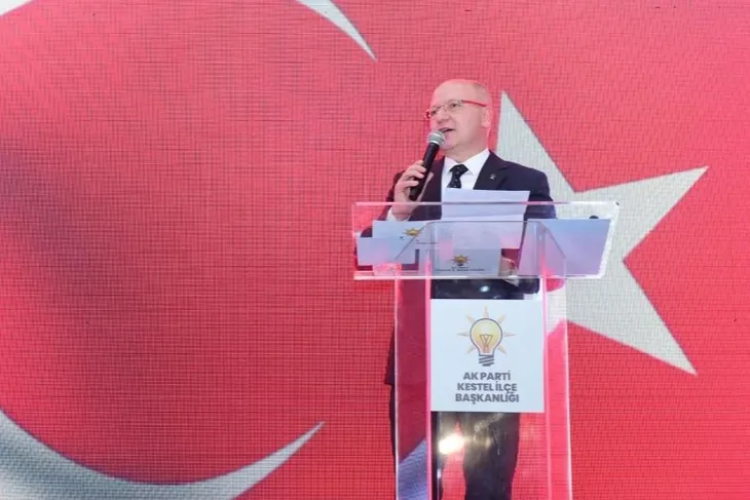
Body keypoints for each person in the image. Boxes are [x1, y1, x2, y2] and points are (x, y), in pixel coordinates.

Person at [382, 79, 555, 500]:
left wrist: (500, 265)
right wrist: (397, 214)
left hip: (490, 359)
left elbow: (542, 267)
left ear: (485, 115)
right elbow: (374, 256)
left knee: (489, 481)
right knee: (418, 483)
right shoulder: (413, 183)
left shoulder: (524, 181)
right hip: (421, 356)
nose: (440, 117)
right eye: (433, 111)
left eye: (453, 106)